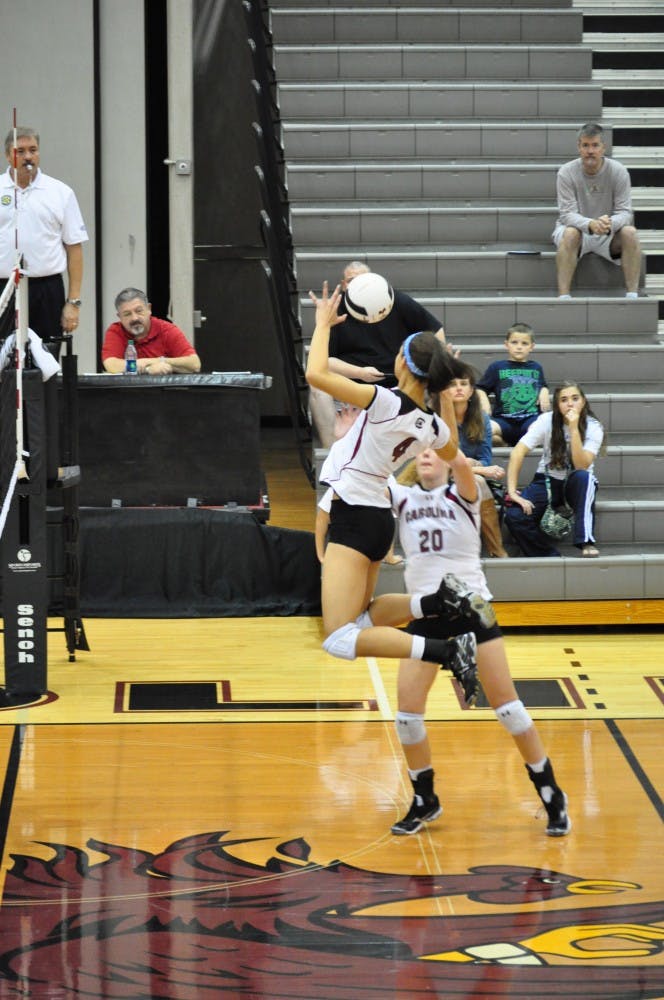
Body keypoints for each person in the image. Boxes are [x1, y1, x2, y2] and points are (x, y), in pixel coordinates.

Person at [305, 281, 495, 699]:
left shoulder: (384, 401)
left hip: (355, 514)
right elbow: (453, 449)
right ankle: (436, 602)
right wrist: (443, 397)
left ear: (403, 364)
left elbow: (315, 374)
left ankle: (446, 650)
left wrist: (322, 325)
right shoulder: (431, 425)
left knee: (338, 638)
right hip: (378, 518)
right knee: (363, 622)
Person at [370, 448, 571, 838]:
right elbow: (371, 471)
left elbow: (460, 462)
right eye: (421, 451)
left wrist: (442, 423)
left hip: (471, 611)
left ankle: (551, 793)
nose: (426, 455)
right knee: (407, 718)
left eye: (435, 451)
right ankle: (425, 798)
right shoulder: (403, 497)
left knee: (509, 710)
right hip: (427, 615)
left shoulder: (464, 491)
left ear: (448, 460)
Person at [309, 261, 446, 447]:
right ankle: (331, 449)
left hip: (398, 386)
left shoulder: (396, 300)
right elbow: (324, 361)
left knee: (442, 379)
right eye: (351, 280)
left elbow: (436, 332)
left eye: (363, 280)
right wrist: (360, 373)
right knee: (317, 385)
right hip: (352, 386)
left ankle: (429, 445)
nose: (358, 285)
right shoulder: (335, 310)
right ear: (343, 285)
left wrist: (438, 363)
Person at [0, 127, 88, 350]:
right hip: (4, 288)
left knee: (46, 357)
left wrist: (73, 302)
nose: (28, 157)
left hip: (46, 289)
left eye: (33, 150)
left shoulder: (60, 192)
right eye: (20, 151)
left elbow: (74, 248)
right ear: (8, 155)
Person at [504, 381, 605, 558]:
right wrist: (512, 492)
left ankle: (586, 541)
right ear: (557, 405)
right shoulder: (546, 421)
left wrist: (573, 429)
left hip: (576, 484)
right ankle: (549, 556)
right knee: (514, 516)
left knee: (586, 478)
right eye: (564, 400)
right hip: (547, 480)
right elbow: (518, 452)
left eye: (575, 398)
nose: (570, 404)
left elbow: (581, 465)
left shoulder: (594, 426)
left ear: (583, 401)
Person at [553, 122, 642, 299]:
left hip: (608, 233)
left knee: (630, 232)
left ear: (603, 148)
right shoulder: (566, 172)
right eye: (585, 145)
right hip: (577, 232)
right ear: (579, 147)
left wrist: (608, 224)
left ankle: (632, 295)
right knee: (570, 233)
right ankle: (564, 297)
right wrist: (590, 224)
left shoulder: (619, 171)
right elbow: (567, 214)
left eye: (595, 145)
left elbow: (625, 212)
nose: (590, 151)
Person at [450, 370, 508, 558]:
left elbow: (485, 458)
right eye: (453, 384)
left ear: (471, 390)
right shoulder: (439, 418)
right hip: (441, 477)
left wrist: (470, 467)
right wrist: (474, 467)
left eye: (463, 384)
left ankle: (493, 548)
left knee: (476, 478)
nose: (458, 388)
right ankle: (496, 549)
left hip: (471, 478)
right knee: (477, 477)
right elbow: (441, 463)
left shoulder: (482, 418)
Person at [476, 323, 550, 446]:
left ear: (532, 347)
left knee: (543, 430)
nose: (519, 347)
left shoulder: (536, 367)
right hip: (503, 420)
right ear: (506, 344)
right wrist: (484, 400)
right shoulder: (497, 367)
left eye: (524, 343)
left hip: (529, 419)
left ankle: (523, 442)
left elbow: (542, 385)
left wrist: (544, 391)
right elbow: (480, 388)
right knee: (483, 431)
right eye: (514, 342)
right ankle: (504, 442)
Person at [102, 288, 201, 374]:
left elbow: (195, 364)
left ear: (149, 309)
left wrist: (158, 361)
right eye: (127, 314)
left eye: (139, 311)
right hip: (127, 389)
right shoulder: (116, 331)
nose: (134, 318)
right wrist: (148, 369)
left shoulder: (166, 329)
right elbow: (111, 365)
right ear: (119, 317)